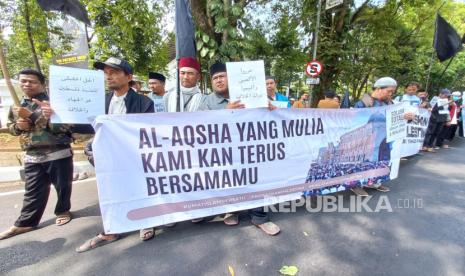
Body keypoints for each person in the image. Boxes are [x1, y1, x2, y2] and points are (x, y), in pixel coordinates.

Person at [76, 57, 155, 252]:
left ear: (128, 77)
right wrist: (57, 115)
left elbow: (148, 130)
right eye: (106, 73)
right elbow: (84, 125)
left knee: (139, 187)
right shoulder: (99, 101)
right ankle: (113, 228)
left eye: (114, 72)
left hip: (134, 156)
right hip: (107, 158)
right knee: (111, 190)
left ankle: (146, 222)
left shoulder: (144, 102)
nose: (109, 76)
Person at [198, 62, 280, 236]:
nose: (218, 81)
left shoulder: (250, 95)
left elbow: (265, 116)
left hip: (250, 150)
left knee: (256, 181)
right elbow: (201, 125)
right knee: (230, 182)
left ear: (231, 78)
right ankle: (232, 210)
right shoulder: (207, 101)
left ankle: (259, 217)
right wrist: (225, 112)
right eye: (215, 78)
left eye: (222, 76)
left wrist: (271, 109)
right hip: (224, 152)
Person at [0, 69, 74, 240]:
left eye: (31, 81)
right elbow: (12, 128)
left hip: (58, 152)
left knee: (63, 185)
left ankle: (63, 210)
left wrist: (37, 116)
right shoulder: (18, 106)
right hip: (32, 154)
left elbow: (66, 128)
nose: (27, 84)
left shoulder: (56, 104)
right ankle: (26, 222)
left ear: (42, 84)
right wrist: (19, 126)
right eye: (23, 81)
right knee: (32, 190)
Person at [352, 77, 414, 196]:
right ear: (379, 88)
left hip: (385, 139)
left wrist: (407, 118)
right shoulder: (363, 103)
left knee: (382, 160)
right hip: (368, 139)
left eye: (392, 92)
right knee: (364, 162)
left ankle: (374, 182)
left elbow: (397, 119)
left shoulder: (390, 103)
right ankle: (356, 185)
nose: (391, 94)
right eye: (389, 91)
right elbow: (357, 122)